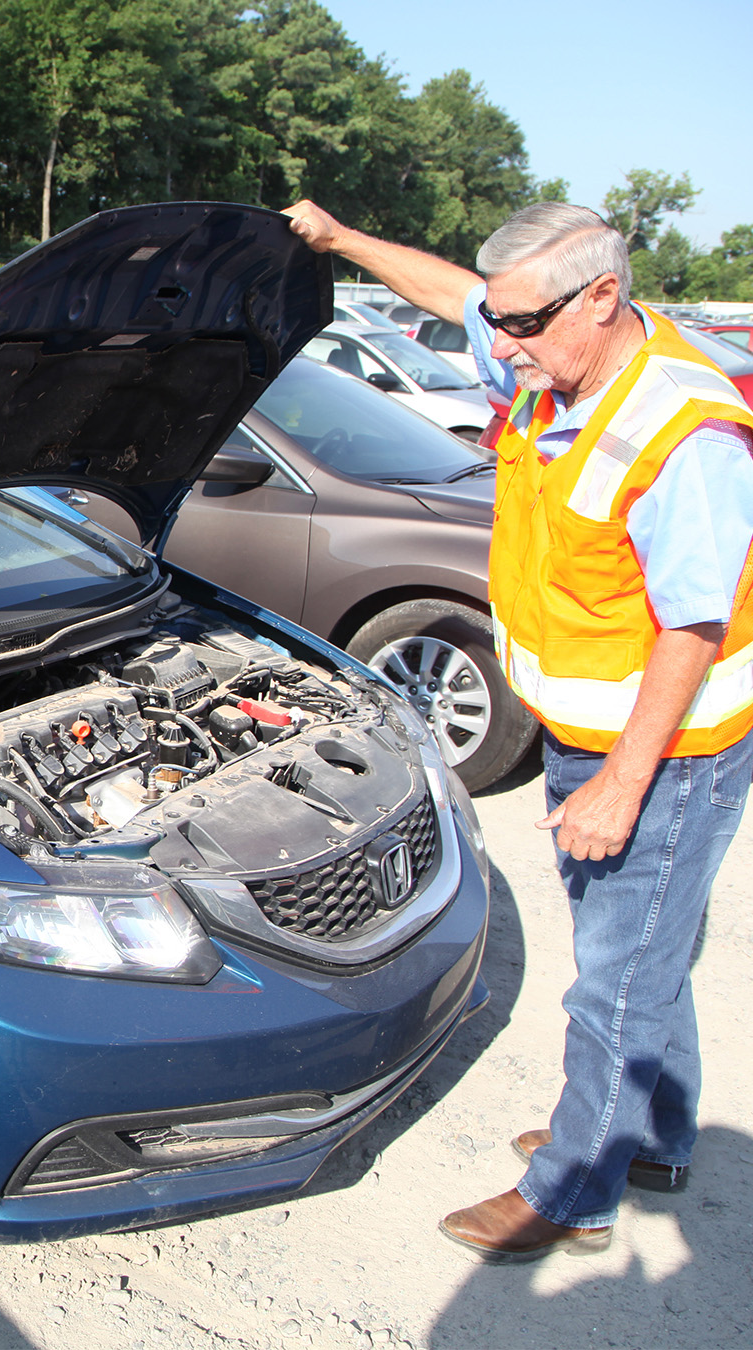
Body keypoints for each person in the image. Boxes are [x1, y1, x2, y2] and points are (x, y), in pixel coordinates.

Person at [282, 199, 753, 1262]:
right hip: (589, 730)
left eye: (525, 324)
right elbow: (452, 292)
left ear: (603, 296)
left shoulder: (685, 434)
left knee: (616, 978)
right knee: (645, 955)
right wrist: (343, 238)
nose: (500, 346)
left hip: (667, 754)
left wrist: (622, 785)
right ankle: (652, 1137)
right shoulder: (554, 362)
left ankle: (574, 1188)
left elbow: (694, 625)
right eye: (501, 322)